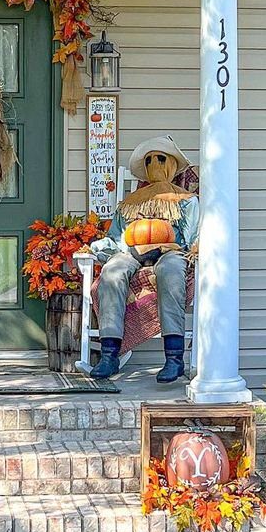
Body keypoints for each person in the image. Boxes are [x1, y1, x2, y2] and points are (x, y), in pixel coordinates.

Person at [86, 135, 198, 383]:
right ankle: (109, 354)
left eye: (161, 159)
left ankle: (174, 357)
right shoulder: (130, 203)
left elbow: (191, 239)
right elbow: (116, 238)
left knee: (170, 271)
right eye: (149, 160)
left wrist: (175, 246)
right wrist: (100, 248)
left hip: (171, 251)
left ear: (172, 164)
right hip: (133, 251)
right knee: (112, 271)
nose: (154, 164)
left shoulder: (186, 201)